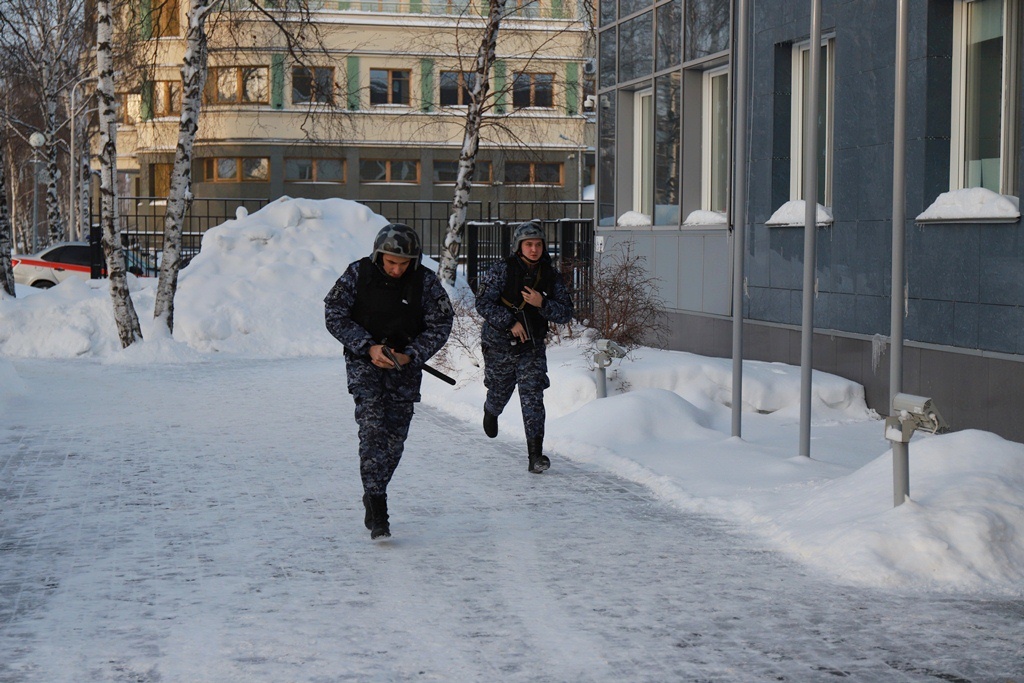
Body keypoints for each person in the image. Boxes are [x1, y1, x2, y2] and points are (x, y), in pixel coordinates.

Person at [324, 223, 453, 539]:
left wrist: (412, 353)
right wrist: (366, 347)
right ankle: (378, 507)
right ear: (379, 254)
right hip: (364, 363)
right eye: (390, 262)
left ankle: (374, 489)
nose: (396, 269)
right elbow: (334, 313)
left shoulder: (425, 282)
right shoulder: (358, 274)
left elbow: (441, 323)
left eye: (403, 263)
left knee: (394, 440)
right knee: (372, 428)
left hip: (404, 366)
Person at [475, 220, 574, 473]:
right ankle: (491, 409)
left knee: (533, 397)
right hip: (499, 344)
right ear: (519, 247)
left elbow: (565, 313)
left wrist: (543, 303)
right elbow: (483, 303)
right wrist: (509, 322)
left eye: (538, 245)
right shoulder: (502, 270)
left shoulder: (551, 275)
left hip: (531, 347)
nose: (534, 249)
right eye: (529, 244)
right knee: (500, 390)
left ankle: (535, 456)